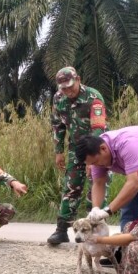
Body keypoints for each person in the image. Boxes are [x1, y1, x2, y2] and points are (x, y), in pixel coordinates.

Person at [47, 66, 108, 245]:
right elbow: (57, 125)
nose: (67, 91)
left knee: (96, 186)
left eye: (70, 87)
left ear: (78, 80)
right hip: (75, 149)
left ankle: (96, 231)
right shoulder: (58, 98)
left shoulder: (93, 98)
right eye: (63, 88)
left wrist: (93, 159)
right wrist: (59, 152)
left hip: (98, 149)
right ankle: (61, 230)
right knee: (71, 187)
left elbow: (99, 129)